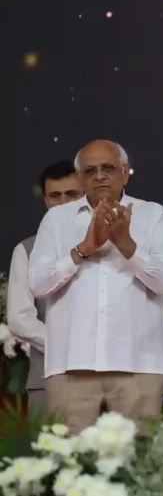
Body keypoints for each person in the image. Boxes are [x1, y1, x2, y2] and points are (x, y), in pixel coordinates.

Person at [28, 140, 163, 432]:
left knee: (139, 465)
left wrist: (126, 245)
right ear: (80, 178)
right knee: (72, 467)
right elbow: (37, 284)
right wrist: (84, 248)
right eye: (90, 170)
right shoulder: (57, 220)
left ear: (125, 172)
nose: (99, 176)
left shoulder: (153, 215)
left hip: (140, 365)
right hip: (72, 365)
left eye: (108, 168)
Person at [6, 161, 83, 410]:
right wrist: (73, 348)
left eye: (71, 194)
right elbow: (19, 319)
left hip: (113, 382)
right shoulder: (27, 250)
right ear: (46, 201)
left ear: (85, 195)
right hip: (48, 380)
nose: (62, 203)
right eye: (55, 196)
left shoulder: (110, 246)